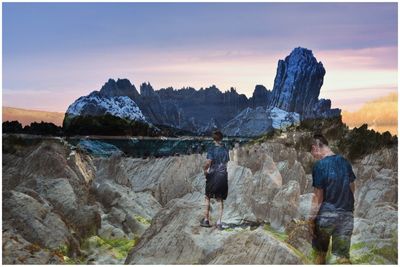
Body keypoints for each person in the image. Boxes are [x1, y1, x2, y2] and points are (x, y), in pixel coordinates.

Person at [309, 134, 356, 264]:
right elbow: (352, 187)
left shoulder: (319, 166)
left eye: (313, 154)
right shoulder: (345, 162)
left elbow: (318, 197)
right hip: (346, 215)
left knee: (320, 255)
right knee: (343, 258)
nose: (314, 157)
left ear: (315, 148)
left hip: (327, 217)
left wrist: (310, 220)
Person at [200, 130, 230, 230]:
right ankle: (219, 222)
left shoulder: (211, 149)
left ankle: (206, 220)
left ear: (213, 138)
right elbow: (226, 162)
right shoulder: (225, 149)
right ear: (221, 138)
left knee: (207, 197)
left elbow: (209, 162)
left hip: (213, 175)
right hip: (223, 175)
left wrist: (204, 169)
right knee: (220, 199)